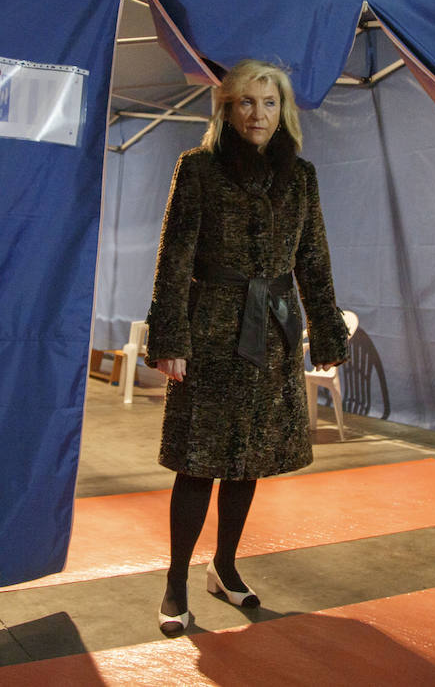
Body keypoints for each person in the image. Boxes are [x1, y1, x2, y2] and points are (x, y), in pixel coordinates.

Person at [144, 59, 350, 637]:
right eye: (246, 103)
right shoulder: (198, 169)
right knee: (197, 460)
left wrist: (327, 332)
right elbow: (174, 260)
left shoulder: (301, 177)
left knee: (250, 458)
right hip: (210, 331)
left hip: (276, 333)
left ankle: (226, 567)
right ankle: (176, 582)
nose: (258, 115)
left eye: (269, 103)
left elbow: (313, 259)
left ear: (283, 110)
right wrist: (169, 337)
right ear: (227, 110)